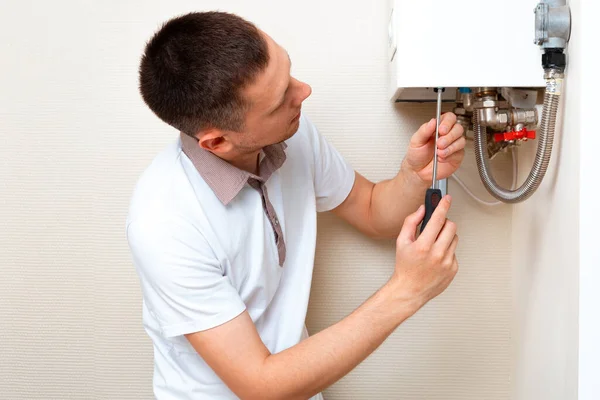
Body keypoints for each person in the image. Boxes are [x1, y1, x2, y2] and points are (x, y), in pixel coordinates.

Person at [126, 10, 465, 400]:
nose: (303, 92)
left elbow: (372, 210)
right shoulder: (164, 224)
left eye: (288, 73)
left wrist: (414, 176)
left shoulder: (290, 134)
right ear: (217, 142)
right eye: (279, 100)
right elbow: (261, 386)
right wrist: (407, 290)